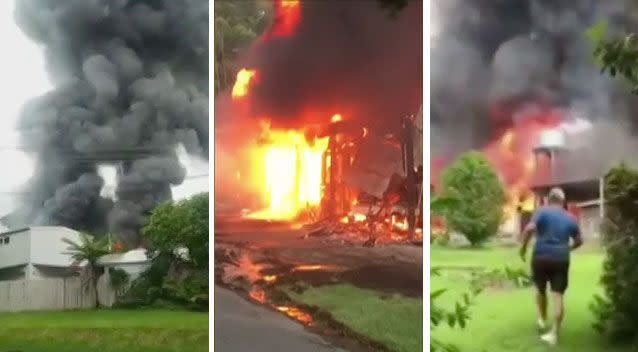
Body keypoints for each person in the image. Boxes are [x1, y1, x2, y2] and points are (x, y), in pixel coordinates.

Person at [519, 187, 583, 346]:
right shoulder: (570, 217)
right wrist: (568, 248)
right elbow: (580, 240)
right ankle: (554, 333)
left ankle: (541, 318)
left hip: (540, 256)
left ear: (548, 200)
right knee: (558, 295)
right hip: (561, 258)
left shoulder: (542, 212)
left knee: (540, 290)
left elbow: (529, 228)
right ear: (563, 202)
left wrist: (524, 247)